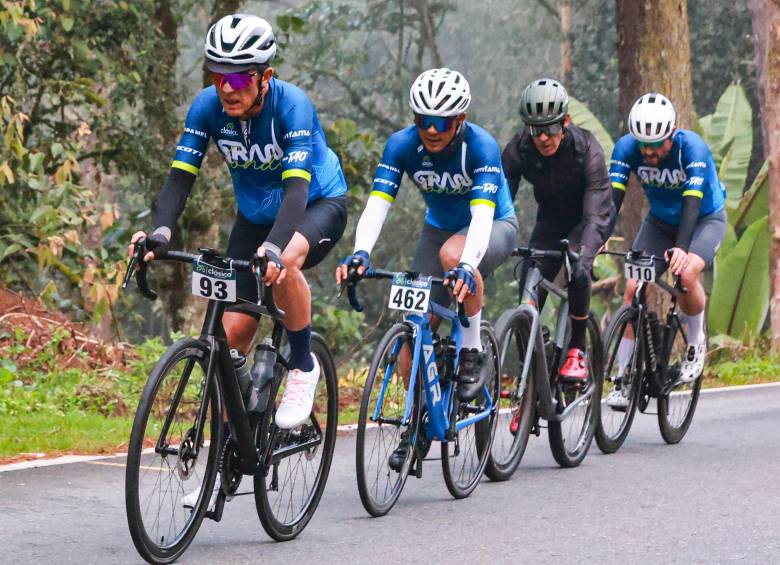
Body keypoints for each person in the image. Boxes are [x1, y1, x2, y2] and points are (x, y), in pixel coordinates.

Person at [128, 14, 348, 505]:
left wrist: (274, 248)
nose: (226, 88)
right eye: (217, 75)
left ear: (265, 76)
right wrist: (160, 232)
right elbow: (180, 177)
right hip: (254, 219)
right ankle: (225, 462)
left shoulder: (293, 107)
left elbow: (296, 191)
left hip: (316, 205)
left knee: (286, 262)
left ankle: (303, 364)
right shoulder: (208, 107)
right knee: (229, 342)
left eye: (238, 78)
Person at [335, 68, 518, 467]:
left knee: (455, 257)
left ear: (460, 120)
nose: (431, 130)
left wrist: (467, 265)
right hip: (437, 231)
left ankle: (471, 352)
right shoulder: (402, 145)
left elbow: (481, 217)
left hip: (493, 225)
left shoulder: (481, 147)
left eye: (442, 122)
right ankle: (416, 419)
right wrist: (361, 253)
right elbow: (378, 205)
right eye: (423, 120)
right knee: (413, 325)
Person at [608, 92, 727, 405]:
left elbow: (692, 203)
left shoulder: (693, 149)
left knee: (686, 275)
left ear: (672, 133)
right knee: (632, 289)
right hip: (660, 223)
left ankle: (696, 343)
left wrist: (682, 248)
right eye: (643, 144)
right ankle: (623, 377)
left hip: (704, 220)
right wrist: (597, 237)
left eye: (656, 144)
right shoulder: (626, 148)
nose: (648, 151)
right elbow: (612, 200)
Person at [502, 78, 613, 385]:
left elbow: (596, 215)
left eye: (550, 128)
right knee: (528, 289)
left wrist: (586, 252)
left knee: (578, 269)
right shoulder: (518, 149)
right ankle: (533, 375)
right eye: (535, 129)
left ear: (565, 122)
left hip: (589, 218)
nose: (543, 137)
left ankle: (577, 348)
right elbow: (498, 202)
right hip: (550, 220)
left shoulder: (586, 149)